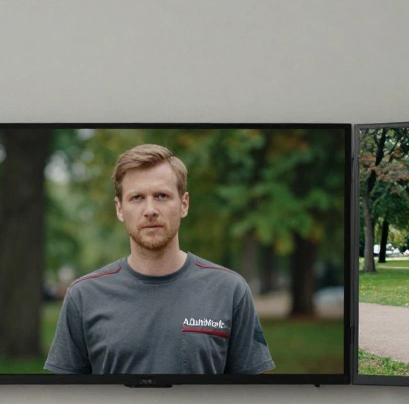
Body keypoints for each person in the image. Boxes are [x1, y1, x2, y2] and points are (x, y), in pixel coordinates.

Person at [45, 144, 274, 375]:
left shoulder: (230, 290)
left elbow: (254, 398)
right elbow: (65, 402)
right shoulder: (84, 296)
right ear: (120, 209)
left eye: (162, 196)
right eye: (136, 198)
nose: (150, 210)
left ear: (184, 204)